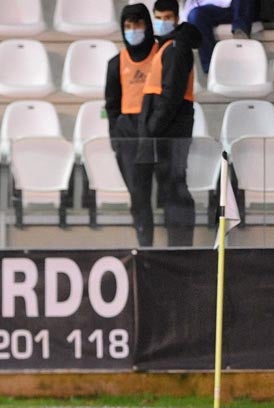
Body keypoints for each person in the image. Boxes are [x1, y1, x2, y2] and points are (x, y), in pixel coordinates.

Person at [139, 0, 202, 248]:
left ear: (176, 19)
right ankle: (177, 245)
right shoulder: (167, 47)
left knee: (175, 185)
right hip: (169, 126)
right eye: (158, 17)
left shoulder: (176, 48)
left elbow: (171, 96)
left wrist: (152, 127)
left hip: (171, 129)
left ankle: (180, 247)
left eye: (167, 17)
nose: (162, 22)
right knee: (170, 186)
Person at [105, 3, 158, 249]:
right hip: (128, 130)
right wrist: (117, 136)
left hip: (158, 129)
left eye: (137, 24)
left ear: (147, 26)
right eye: (127, 26)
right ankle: (145, 245)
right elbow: (112, 105)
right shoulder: (116, 63)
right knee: (138, 196)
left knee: (167, 192)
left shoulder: (162, 55)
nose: (133, 30)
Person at [180, 0, 257, 73]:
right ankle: (212, 70)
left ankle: (240, 32)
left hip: (238, 7)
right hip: (210, 8)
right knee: (196, 15)